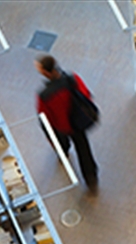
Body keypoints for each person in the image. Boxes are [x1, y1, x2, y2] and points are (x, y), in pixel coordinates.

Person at [35, 54, 99, 193]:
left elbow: (44, 117)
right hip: (77, 123)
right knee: (83, 149)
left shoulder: (44, 95)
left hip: (60, 126)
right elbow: (86, 94)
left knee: (61, 141)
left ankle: (63, 152)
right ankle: (91, 179)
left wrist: (50, 132)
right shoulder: (72, 79)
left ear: (45, 72)